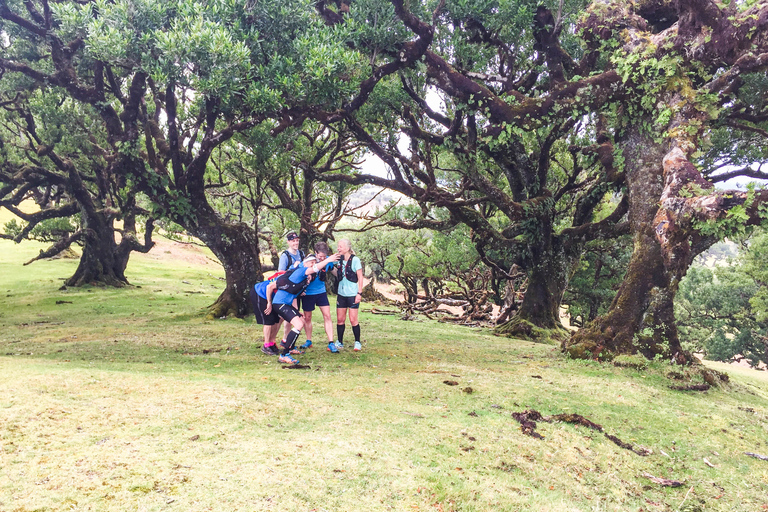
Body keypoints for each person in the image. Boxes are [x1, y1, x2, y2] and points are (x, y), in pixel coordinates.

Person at [269, 253, 341, 364]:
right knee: (298, 324)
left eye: (314, 262)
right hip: (280, 303)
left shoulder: (303, 279)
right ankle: (284, 354)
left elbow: (292, 295)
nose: (313, 264)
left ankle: (290, 347)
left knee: (301, 321)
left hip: (285, 304)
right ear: (305, 263)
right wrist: (328, 260)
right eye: (310, 262)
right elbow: (316, 268)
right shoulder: (302, 270)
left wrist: (296, 311)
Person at [299, 241, 338, 351]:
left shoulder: (328, 260)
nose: (322, 258)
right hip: (308, 293)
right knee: (308, 317)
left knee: (327, 316)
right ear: (315, 253)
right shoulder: (308, 261)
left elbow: (333, 270)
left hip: (321, 292)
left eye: (324, 256)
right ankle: (308, 340)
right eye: (320, 256)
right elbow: (299, 272)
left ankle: (331, 342)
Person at [332, 238, 364, 352]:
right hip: (341, 294)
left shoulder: (355, 260)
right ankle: (339, 341)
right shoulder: (338, 259)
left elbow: (360, 277)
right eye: (338, 246)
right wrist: (330, 267)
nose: (338, 248)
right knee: (340, 319)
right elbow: (336, 272)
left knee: (353, 319)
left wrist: (359, 293)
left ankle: (357, 342)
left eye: (340, 246)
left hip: (352, 294)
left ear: (347, 248)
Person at [277, 231, 304, 345]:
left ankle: (286, 340)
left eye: (297, 240)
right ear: (288, 242)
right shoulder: (285, 256)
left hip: (297, 291)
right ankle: (281, 339)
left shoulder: (301, 254)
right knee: (285, 316)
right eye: (293, 241)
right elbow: (280, 274)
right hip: (287, 291)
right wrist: (293, 268)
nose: (295, 243)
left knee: (293, 315)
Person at [249, 275, 282, 356]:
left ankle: (271, 343)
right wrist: (269, 303)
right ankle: (266, 345)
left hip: (273, 297)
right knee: (268, 319)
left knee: (276, 319)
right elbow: (269, 287)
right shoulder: (285, 280)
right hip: (261, 293)